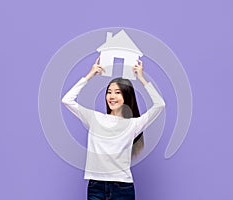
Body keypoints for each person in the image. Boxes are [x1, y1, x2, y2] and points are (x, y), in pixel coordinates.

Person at [62, 57, 165, 200]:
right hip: (96, 186)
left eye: (117, 92)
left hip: (122, 188)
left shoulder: (133, 124)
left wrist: (141, 78)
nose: (112, 96)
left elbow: (160, 105)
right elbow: (67, 100)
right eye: (109, 92)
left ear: (126, 96)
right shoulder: (94, 118)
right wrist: (90, 75)